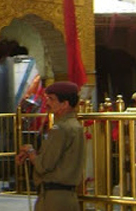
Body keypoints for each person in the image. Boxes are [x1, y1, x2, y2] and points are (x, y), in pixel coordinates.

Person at [17, 81, 85, 211]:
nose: (47, 103)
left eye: (52, 99)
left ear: (64, 104)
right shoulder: (75, 126)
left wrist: (30, 152)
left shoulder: (60, 129)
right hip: (67, 196)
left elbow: (44, 165)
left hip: (53, 198)